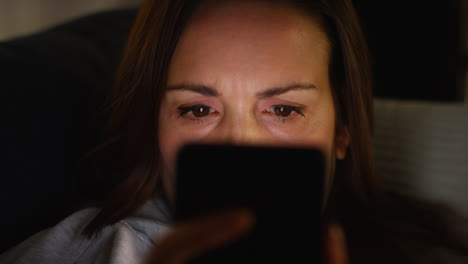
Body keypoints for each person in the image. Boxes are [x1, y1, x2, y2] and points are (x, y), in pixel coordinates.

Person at [1, 0, 466, 263]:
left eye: (283, 109)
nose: (240, 144)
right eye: (198, 109)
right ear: (154, 125)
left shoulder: (427, 246)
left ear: (342, 128)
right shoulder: (95, 252)